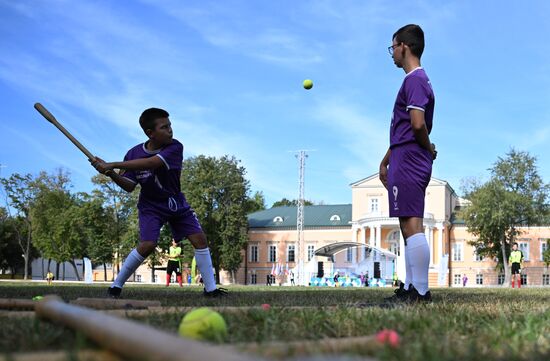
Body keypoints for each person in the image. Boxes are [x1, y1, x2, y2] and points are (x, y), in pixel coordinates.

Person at [91, 108, 227, 298]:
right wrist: (110, 173)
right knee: (147, 244)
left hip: (175, 202)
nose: (170, 130)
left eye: (170, 125)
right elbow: (129, 186)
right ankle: (115, 286)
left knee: (200, 239)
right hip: (150, 205)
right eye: (164, 127)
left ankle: (211, 290)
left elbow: (151, 163)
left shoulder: (175, 147)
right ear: (150, 133)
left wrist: (112, 164)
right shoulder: (132, 153)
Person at [380, 24, 436, 303]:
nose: (392, 54)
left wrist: (428, 147)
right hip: (405, 155)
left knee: (412, 224)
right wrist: (386, 161)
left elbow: (416, 124)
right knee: (406, 224)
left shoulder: (415, 79)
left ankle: (420, 291)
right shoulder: (414, 81)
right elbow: (404, 128)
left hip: (412, 156)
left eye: (393, 47)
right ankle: (411, 287)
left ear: (404, 46)